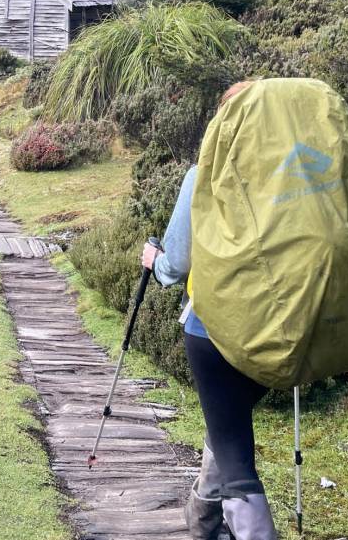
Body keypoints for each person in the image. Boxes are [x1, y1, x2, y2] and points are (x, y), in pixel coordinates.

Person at [140, 80, 278, 540]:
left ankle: (218, 521)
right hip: (282, 328)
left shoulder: (204, 175)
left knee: (234, 446)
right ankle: (201, 519)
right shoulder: (293, 177)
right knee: (229, 425)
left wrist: (154, 263)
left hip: (213, 329)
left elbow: (178, 262)